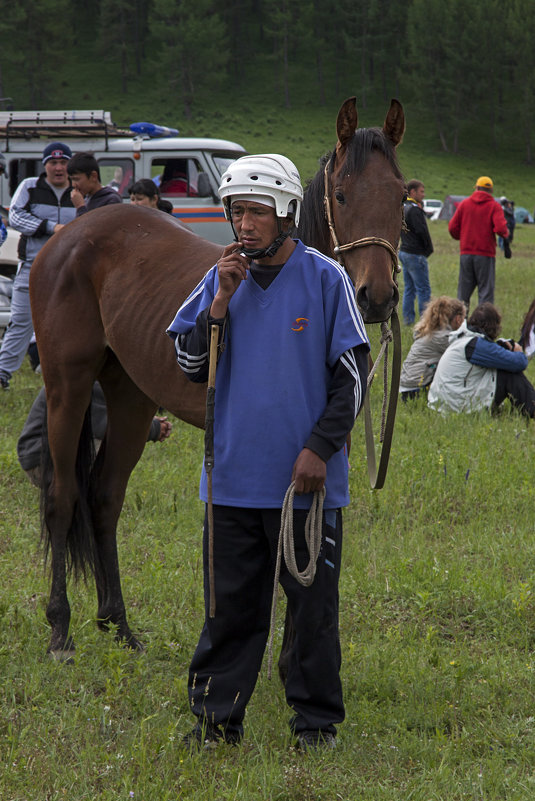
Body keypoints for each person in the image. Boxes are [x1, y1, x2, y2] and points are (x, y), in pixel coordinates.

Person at [166, 153, 370, 751]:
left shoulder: (325, 278)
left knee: (312, 615)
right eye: (236, 212)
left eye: (257, 211)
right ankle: (215, 724)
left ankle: (315, 726)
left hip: (305, 487)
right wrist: (219, 307)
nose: (244, 224)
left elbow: (353, 379)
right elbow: (189, 366)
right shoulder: (218, 277)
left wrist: (318, 451)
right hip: (230, 481)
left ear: (286, 213)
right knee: (230, 612)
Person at [0, 142, 76, 390]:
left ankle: (62, 375)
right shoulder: (30, 186)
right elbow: (16, 216)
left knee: (68, 324)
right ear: (45, 166)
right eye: (53, 163)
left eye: (63, 162)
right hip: (32, 266)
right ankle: (2, 374)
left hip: (69, 271)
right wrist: (49, 227)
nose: (58, 168)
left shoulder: (77, 191)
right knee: (21, 321)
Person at [17, 382, 172, 487]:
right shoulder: (92, 378)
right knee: (114, 443)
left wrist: (148, 422)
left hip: (39, 454)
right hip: (43, 461)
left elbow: (113, 414)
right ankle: (98, 496)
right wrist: (153, 429)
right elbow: (108, 426)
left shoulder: (84, 368)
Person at [428, 302, 535, 418]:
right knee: (509, 373)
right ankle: (532, 409)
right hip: (456, 407)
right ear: (493, 327)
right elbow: (520, 363)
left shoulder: (464, 339)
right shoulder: (477, 345)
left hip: (443, 404)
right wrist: (518, 351)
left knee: (502, 367)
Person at [448, 176, 510, 310]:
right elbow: (500, 229)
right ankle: (483, 326)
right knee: (485, 294)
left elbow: (452, 227)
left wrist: (462, 237)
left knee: (463, 294)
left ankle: (460, 325)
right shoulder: (494, 206)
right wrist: (505, 234)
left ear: (476, 188)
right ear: (491, 190)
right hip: (485, 254)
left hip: (466, 254)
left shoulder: (464, 204)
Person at [399, 296, 466, 400]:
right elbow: (465, 352)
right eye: (464, 318)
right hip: (417, 389)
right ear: (458, 319)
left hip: (407, 386)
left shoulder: (430, 333)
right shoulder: (443, 337)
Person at [399, 179, 433, 325]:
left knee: (409, 288)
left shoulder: (402, 207)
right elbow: (422, 232)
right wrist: (428, 249)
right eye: (421, 191)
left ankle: (408, 320)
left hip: (404, 251)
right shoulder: (414, 209)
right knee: (423, 289)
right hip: (415, 254)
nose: (423, 195)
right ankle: (426, 322)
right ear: (412, 192)